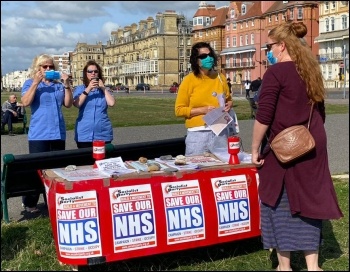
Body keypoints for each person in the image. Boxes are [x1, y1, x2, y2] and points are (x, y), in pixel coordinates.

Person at [251, 22, 343, 271]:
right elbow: (321, 112)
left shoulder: (276, 72)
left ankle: (285, 266)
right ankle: (313, 266)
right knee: (310, 199)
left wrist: (255, 147)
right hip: (312, 143)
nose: (267, 51)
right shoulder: (311, 69)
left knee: (278, 201)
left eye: (269, 46)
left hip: (285, 147)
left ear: (281, 46)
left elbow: (264, 116)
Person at [21, 53, 73, 213]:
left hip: (57, 132)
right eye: (45, 67)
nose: (48, 69)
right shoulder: (30, 83)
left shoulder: (58, 85)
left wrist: (66, 84)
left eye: (51, 66)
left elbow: (68, 104)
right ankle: (30, 202)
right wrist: (36, 83)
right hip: (39, 133)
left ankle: (52, 200)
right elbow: (25, 102)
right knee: (37, 170)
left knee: (56, 170)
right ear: (38, 68)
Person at [175, 42, 233, 156]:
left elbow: (228, 98)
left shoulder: (220, 77)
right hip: (198, 134)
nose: (208, 58)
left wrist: (229, 104)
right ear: (196, 60)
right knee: (196, 170)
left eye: (210, 55)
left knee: (221, 168)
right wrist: (203, 110)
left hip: (220, 130)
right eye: (203, 56)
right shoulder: (189, 80)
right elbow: (179, 110)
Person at [73, 60, 115, 148]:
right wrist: (88, 88)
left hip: (103, 133)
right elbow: (77, 104)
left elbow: (111, 103)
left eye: (95, 71)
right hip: (84, 134)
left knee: (102, 160)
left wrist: (103, 88)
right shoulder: (80, 89)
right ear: (85, 73)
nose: (93, 73)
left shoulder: (104, 89)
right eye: (90, 71)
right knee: (85, 161)